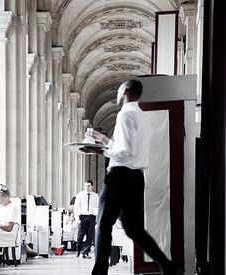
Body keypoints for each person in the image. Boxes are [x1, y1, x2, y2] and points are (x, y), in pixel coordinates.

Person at [81, 80, 184, 275]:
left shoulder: (125, 114)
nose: (117, 93)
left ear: (126, 90)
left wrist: (99, 150)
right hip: (136, 177)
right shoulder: (142, 116)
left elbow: (125, 152)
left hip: (120, 176)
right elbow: (130, 149)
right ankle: (168, 267)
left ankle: (99, 272)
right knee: (133, 229)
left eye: (119, 89)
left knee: (103, 225)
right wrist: (104, 140)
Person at [74, 180, 99, 259]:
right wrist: (77, 217)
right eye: (85, 186)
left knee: (90, 236)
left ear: (92, 186)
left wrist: (97, 218)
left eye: (89, 186)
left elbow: (97, 207)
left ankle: (85, 252)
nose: (87, 187)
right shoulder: (80, 195)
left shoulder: (96, 196)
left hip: (92, 217)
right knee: (80, 235)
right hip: (82, 217)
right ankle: (78, 249)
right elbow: (76, 207)